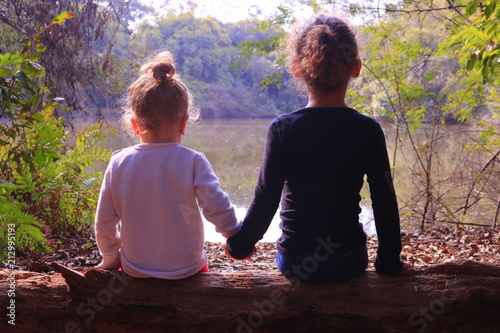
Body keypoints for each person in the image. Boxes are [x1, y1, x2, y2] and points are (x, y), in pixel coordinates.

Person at [225, 13, 406, 282]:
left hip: (295, 262)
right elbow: (384, 199)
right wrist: (389, 262)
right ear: (356, 67)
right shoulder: (367, 129)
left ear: (297, 69)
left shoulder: (284, 128)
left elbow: (266, 197)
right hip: (350, 260)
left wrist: (239, 246)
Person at [94, 51, 241, 279]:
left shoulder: (119, 162)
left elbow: (104, 222)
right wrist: (235, 235)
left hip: (135, 269)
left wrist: (112, 259)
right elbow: (216, 205)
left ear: (134, 124)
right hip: (188, 269)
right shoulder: (192, 160)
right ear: (184, 121)